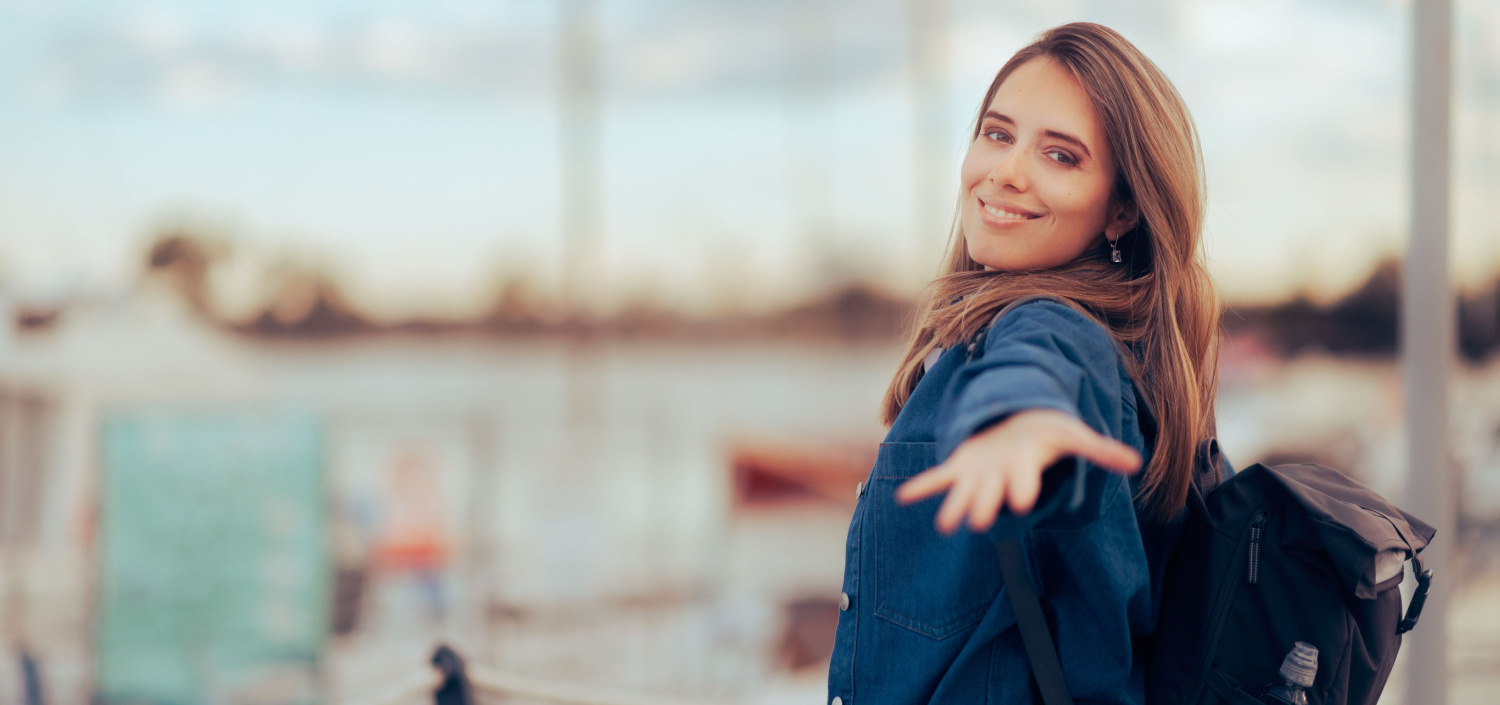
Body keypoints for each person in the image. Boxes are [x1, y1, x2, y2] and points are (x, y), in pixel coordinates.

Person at [826, 22, 1220, 705]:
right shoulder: (1108, 347)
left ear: (1122, 209)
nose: (1006, 170)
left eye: (1061, 156)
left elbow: (1048, 370)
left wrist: (1022, 422)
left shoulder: (1063, 333)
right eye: (998, 133)